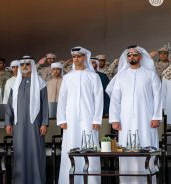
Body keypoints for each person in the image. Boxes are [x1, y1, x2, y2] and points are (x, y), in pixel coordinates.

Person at [107, 45, 161, 184]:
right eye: (129, 55)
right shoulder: (121, 76)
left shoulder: (150, 74)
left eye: (134, 55)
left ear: (141, 57)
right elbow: (115, 99)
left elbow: (158, 97)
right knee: (127, 150)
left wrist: (156, 116)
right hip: (126, 122)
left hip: (147, 120)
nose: (132, 57)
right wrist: (114, 119)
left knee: (146, 147)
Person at [57, 47, 103, 184]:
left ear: (85, 58)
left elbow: (99, 99)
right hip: (71, 120)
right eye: (74, 56)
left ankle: (91, 181)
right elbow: (62, 99)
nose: (76, 59)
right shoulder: (67, 77)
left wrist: (96, 119)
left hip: (89, 119)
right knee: (71, 147)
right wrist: (62, 119)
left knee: (89, 148)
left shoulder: (93, 76)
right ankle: (69, 180)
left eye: (79, 56)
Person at [5, 55, 48, 184]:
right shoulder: (15, 84)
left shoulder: (40, 83)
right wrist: (8, 122)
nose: (24, 67)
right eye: (22, 64)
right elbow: (10, 105)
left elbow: (45, 105)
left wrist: (44, 123)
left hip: (35, 125)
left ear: (32, 66)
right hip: (19, 126)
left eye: (27, 64)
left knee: (35, 152)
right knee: (20, 153)